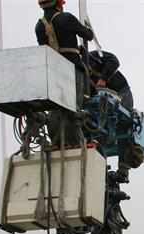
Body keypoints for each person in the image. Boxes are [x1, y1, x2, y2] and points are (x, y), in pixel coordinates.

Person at [35, 0, 94, 146]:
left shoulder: (39, 26)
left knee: (56, 106)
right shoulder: (66, 18)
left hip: (54, 70)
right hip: (72, 67)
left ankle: (58, 141)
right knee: (74, 106)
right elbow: (88, 35)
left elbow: (43, 49)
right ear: (58, 4)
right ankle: (75, 141)